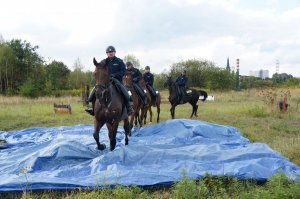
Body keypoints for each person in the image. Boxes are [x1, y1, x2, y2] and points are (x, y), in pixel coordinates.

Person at [85, 46, 134, 116]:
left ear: (114, 52)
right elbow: (98, 68)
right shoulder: (104, 62)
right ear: (107, 53)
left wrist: (115, 75)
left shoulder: (119, 61)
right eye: (109, 52)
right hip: (105, 81)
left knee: (124, 91)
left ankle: (129, 107)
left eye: (112, 52)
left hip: (117, 80)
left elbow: (123, 71)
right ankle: (91, 107)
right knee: (95, 90)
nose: (110, 53)